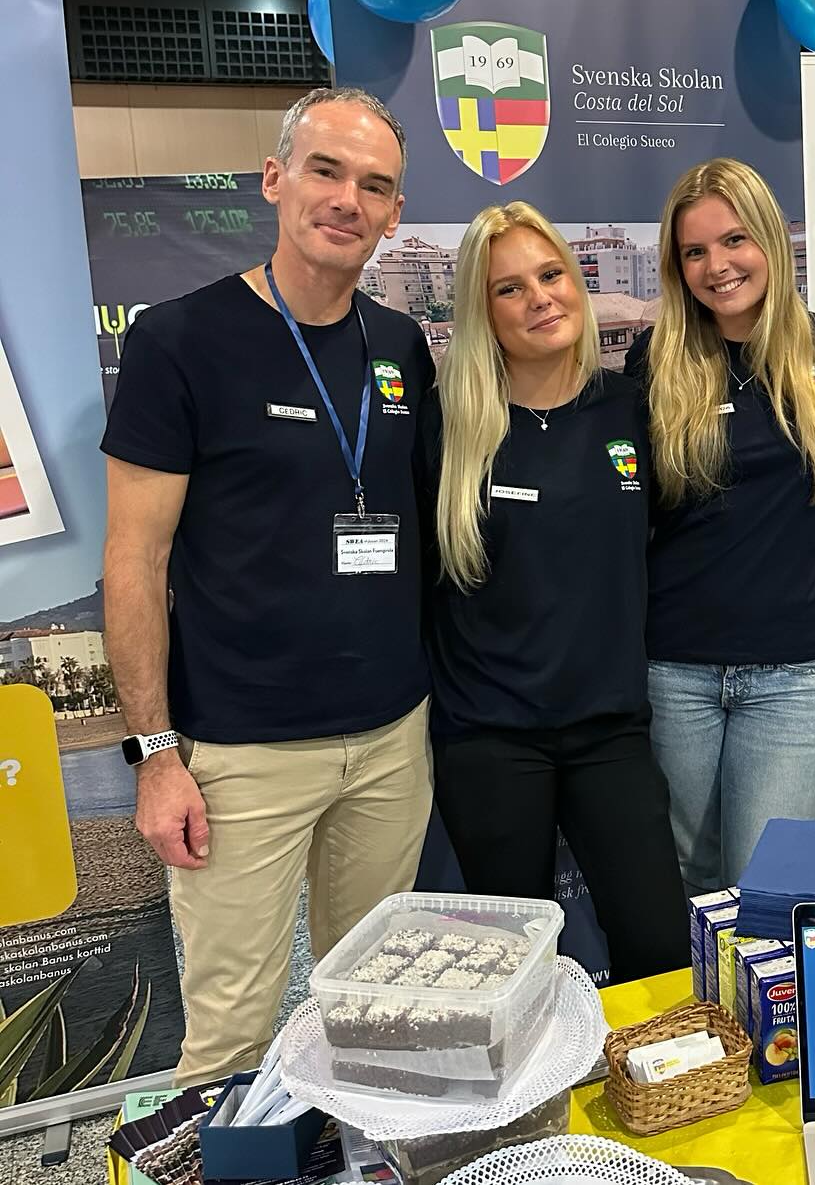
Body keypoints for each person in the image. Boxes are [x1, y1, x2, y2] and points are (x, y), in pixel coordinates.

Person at [101, 88, 434, 1083]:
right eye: (326, 170)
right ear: (276, 178)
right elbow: (134, 560)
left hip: (389, 739)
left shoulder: (401, 346)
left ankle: (358, 1148)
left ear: (395, 213)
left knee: (373, 1011)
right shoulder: (179, 339)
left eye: (374, 185)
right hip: (242, 752)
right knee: (233, 1034)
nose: (347, 199)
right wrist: (155, 755)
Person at [420, 202, 687, 984]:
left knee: (659, 947)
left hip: (611, 728)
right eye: (510, 288)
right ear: (483, 311)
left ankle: (654, 1065)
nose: (539, 298)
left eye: (550, 275)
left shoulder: (629, 407)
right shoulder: (446, 424)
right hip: (488, 737)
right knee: (514, 968)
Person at [625, 158, 815, 891]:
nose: (716, 266)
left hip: (791, 669)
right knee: (686, 875)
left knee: (766, 885)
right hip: (676, 665)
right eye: (694, 251)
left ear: (770, 242)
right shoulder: (654, 360)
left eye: (734, 240)